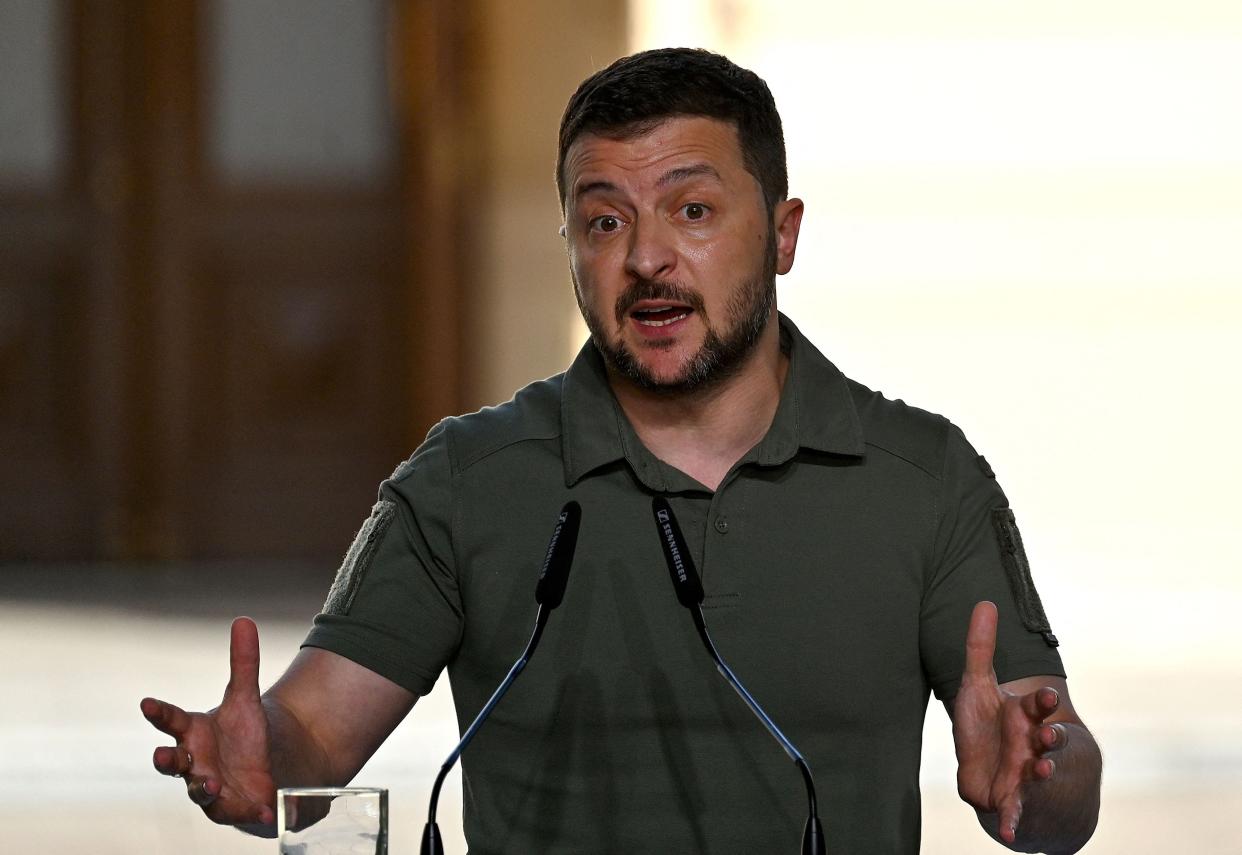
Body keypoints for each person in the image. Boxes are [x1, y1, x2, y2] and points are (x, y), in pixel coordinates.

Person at [142, 48, 1102, 853]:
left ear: (781, 234)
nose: (646, 259)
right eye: (604, 221)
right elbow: (311, 729)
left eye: (691, 211)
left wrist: (1041, 776)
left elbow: (1054, 780)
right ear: (569, 245)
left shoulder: (923, 477)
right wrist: (260, 750)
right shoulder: (467, 479)